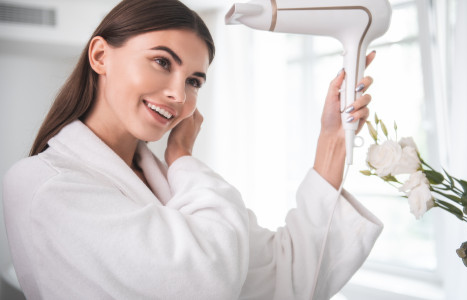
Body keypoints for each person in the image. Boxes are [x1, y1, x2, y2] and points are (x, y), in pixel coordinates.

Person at [2, 0, 383, 299]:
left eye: (194, 80)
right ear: (101, 56)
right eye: (162, 62)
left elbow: (286, 276)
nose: (178, 94)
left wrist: (330, 137)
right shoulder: (43, 184)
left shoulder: (171, 185)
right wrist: (182, 157)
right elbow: (203, 283)